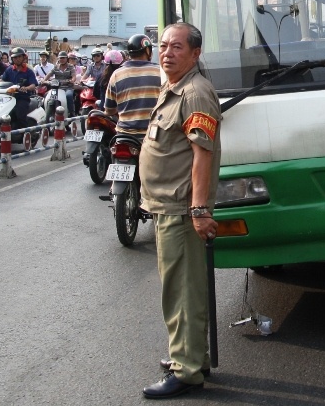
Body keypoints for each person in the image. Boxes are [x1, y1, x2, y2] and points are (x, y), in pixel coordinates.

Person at [140, 23, 221, 400]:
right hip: (167, 206)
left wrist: (200, 209)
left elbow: (202, 155)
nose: (167, 52)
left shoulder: (195, 92)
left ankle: (186, 370)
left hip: (181, 209)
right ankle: (193, 355)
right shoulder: (173, 88)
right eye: (163, 45)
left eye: (177, 46)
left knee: (181, 291)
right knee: (183, 287)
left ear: (195, 53)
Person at [103, 35, 159, 137]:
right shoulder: (160, 72)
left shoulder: (116, 74)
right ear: (147, 50)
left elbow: (109, 110)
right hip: (153, 135)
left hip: (124, 135)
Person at [0, 47, 38, 131]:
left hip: (22, 98)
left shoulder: (28, 71)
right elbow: (2, 80)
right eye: (15, 57)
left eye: (19, 57)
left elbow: (33, 85)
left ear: (24, 57)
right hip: (8, 97)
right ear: (12, 59)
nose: (18, 59)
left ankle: (25, 132)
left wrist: (26, 88)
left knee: (19, 113)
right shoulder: (9, 70)